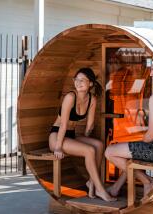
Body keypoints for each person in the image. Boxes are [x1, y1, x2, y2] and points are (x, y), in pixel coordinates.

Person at [104, 61, 153, 197]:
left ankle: (147, 181)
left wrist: (140, 138)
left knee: (110, 152)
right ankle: (115, 188)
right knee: (128, 153)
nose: (150, 73)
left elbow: (151, 135)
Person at [48, 67, 116, 202]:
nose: (78, 83)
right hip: (57, 136)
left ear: (90, 83)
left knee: (99, 145)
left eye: (82, 80)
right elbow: (63, 125)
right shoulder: (70, 97)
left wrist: (85, 138)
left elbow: (89, 125)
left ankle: (91, 182)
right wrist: (58, 147)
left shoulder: (92, 99)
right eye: (76, 80)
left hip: (71, 135)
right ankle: (100, 189)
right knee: (89, 150)